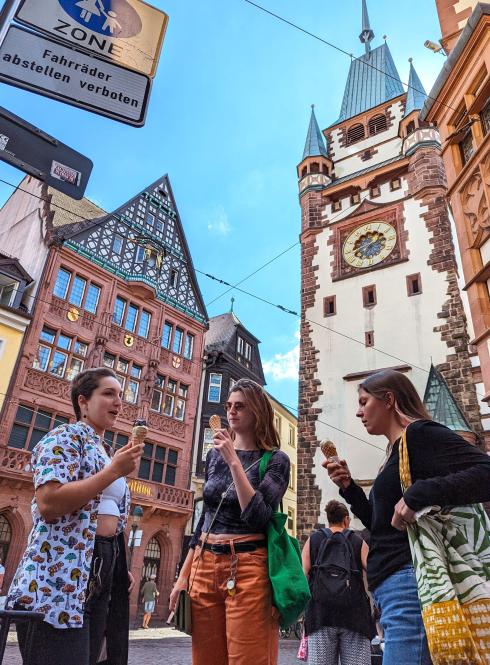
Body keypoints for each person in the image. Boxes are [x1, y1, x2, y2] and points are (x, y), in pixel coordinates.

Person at [326, 369, 490, 665]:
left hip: (407, 580)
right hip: (391, 585)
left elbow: (485, 473)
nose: (358, 412)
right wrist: (350, 488)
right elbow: (383, 523)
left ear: (388, 399)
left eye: (364, 402)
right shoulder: (394, 452)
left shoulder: (419, 434)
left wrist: (421, 493)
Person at [7, 367, 144, 665]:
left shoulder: (105, 451)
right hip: (58, 579)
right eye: (108, 394)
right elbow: (49, 502)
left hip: (98, 572)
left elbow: (114, 516)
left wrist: (118, 565)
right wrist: (112, 473)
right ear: (82, 402)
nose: (118, 402)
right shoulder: (65, 438)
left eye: (120, 395)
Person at [169, 378, 290, 665]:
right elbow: (205, 520)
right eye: (229, 406)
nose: (231, 412)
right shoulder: (213, 456)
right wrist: (184, 576)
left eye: (240, 406)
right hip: (205, 563)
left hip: (248, 567)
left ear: (257, 412)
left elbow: (258, 515)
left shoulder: (276, 460)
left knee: (248, 658)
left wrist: (235, 462)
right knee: (206, 659)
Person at [301, 499, 372, 665]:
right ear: (346, 519)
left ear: (328, 519)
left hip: (320, 615)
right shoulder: (358, 541)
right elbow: (373, 571)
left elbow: (302, 575)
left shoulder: (313, 541)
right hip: (355, 616)